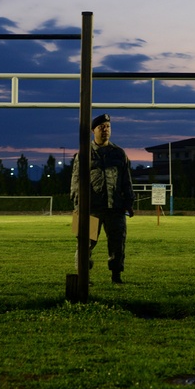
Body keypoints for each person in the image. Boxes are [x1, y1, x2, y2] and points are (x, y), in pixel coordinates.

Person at [70, 114, 135, 284]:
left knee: (118, 243)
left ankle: (116, 275)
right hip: (91, 208)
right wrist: (77, 206)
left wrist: (129, 202)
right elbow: (76, 181)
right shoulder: (84, 153)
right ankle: (83, 275)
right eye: (101, 127)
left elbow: (126, 180)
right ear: (93, 131)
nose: (105, 130)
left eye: (108, 127)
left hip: (115, 207)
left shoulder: (119, 153)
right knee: (85, 243)